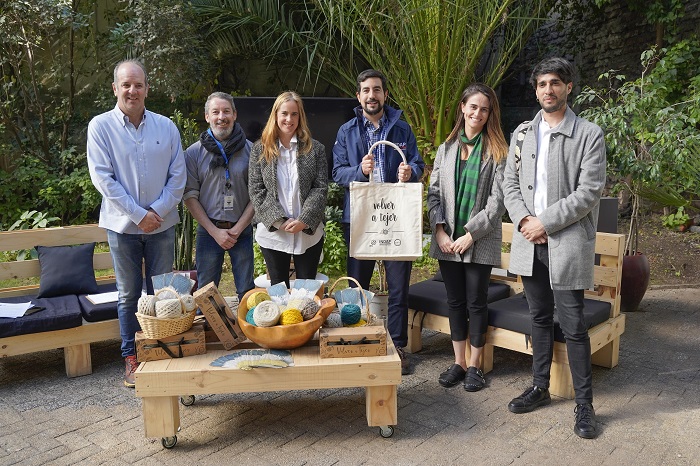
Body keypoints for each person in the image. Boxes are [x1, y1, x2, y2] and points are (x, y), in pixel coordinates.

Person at [502, 57, 606, 439]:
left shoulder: (589, 134)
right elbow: (508, 185)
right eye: (543, 83)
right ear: (536, 90)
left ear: (568, 87)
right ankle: (540, 387)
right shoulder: (522, 133)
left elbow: (589, 192)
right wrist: (527, 223)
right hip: (530, 243)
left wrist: (545, 222)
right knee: (539, 317)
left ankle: (584, 406)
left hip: (566, 243)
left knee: (574, 326)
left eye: (556, 83)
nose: (549, 89)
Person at [87, 59, 186, 388]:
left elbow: (178, 177)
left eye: (138, 84)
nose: (132, 90)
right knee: (128, 295)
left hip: (162, 225)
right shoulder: (100, 127)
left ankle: (159, 348)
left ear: (147, 88)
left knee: (163, 292)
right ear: (115, 88)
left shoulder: (166, 127)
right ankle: (131, 355)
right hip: (122, 228)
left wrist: (155, 211)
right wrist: (138, 214)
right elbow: (104, 180)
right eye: (126, 85)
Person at [332, 69, 425, 375]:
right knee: (358, 286)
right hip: (361, 219)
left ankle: (397, 346)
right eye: (366, 91)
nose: (372, 95)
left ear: (385, 94)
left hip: (395, 217)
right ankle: (357, 340)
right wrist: (359, 170)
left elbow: (417, 163)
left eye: (377, 90)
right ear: (359, 97)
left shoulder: (402, 128)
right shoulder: (347, 131)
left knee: (399, 288)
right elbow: (338, 173)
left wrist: (410, 171)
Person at [427, 83, 508, 391]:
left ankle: (475, 365)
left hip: (480, 241)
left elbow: (497, 203)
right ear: (462, 107)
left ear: (490, 114)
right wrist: (440, 231)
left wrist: (470, 235)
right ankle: (458, 362)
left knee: (476, 301)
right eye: (473, 107)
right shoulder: (445, 150)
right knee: (455, 301)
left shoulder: (497, 151)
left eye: (484, 109)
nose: (478, 113)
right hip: (447, 240)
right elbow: (433, 194)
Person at [248, 91, 328, 287]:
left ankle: (307, 320)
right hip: (274, 232)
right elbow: (256, 189)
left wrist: (304, 220)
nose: (289, 119)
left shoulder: (315, 149)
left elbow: (320, 188)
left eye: (294, 114)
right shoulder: (260, 149)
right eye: (284, 113)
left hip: (307, 232)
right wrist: (279, 221)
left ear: (300, 117)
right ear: (275, 115)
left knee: (306, 290)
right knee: (278, 289)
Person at [183, 92, 255, 299]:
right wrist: (215, 232)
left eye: (226, 111)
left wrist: (237, 229)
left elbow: (257, 195)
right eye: (215, 112)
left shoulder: (252, 151)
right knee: (206, 293)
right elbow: (190, 197)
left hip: (241, 232)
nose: (221, 117)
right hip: (208, 232)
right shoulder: (193, 153)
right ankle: (210, 331)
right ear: (207, 116)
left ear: (235, 115)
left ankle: (246, 331)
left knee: (246, 291)